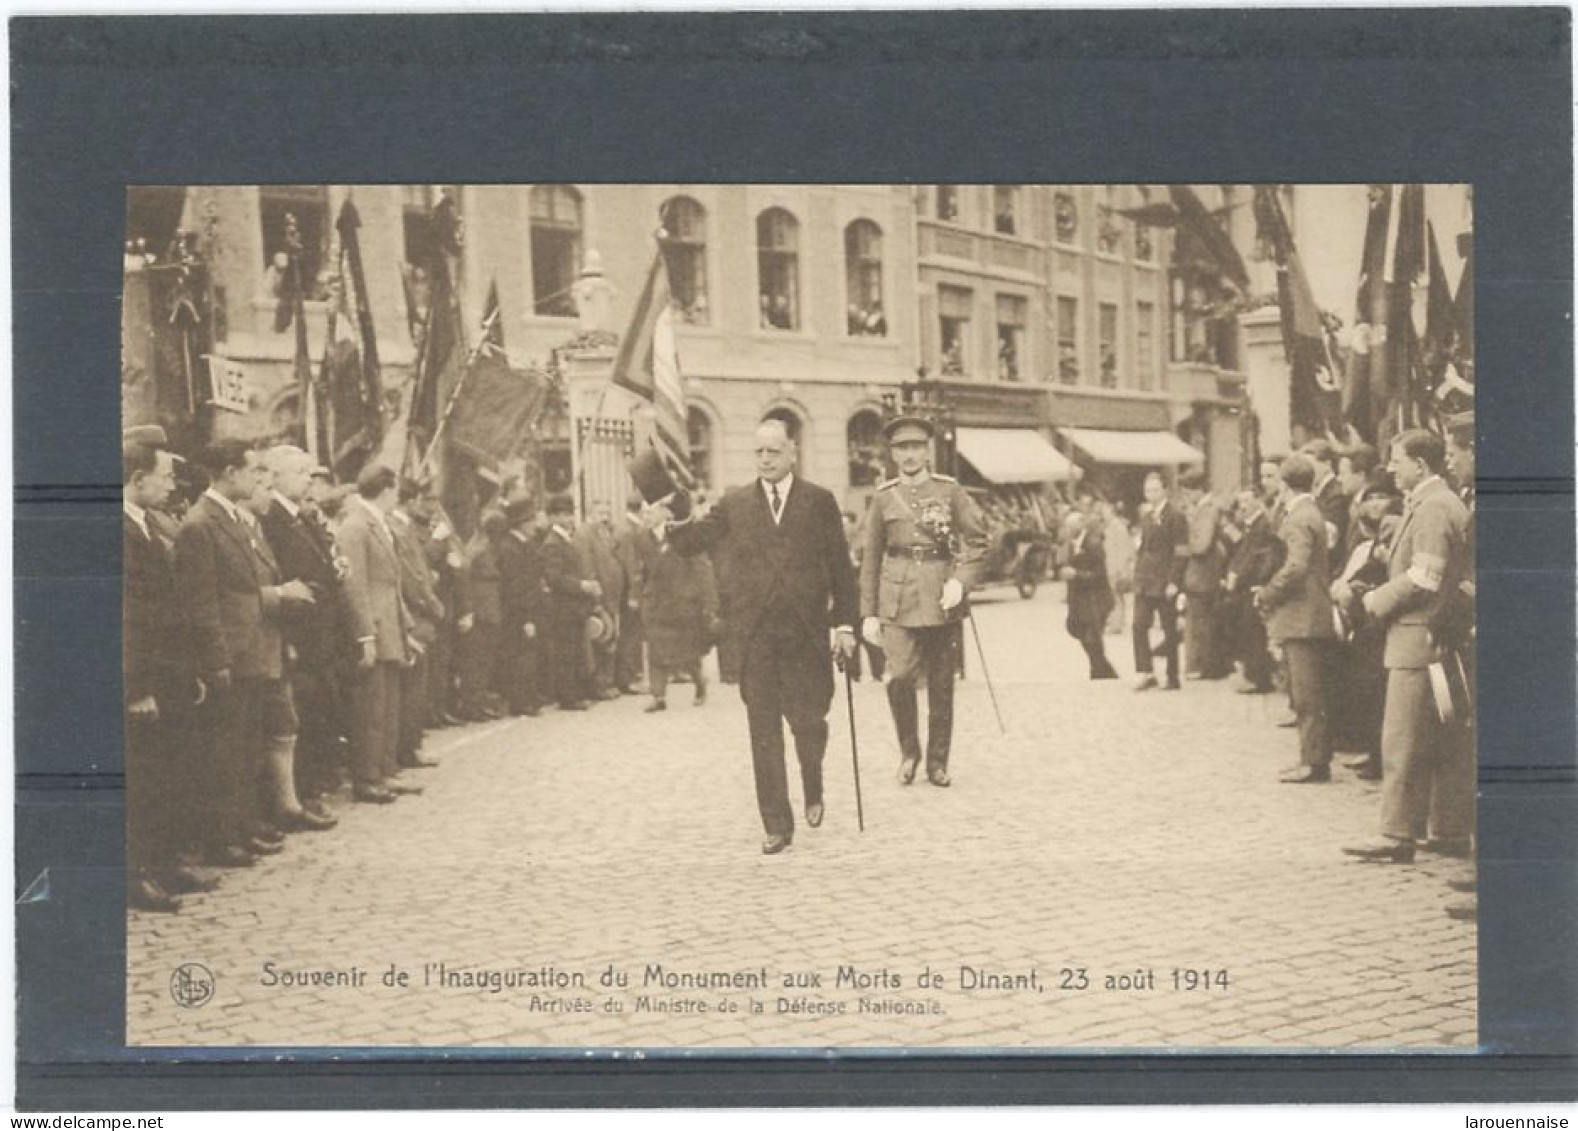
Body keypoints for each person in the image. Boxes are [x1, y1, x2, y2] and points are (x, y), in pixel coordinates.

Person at [665, 418, 859, 854]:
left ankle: (813, 781)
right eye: (759, 452)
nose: (766, 459)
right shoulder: (735, 503)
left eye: (774, 451)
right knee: (764, 731)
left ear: (793, 452)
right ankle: (776, 822)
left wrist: (844, 624)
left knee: (810, 724)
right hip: (757, 640)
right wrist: (674, 515)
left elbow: (842, 571)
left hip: (806, 637)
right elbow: (694, 540)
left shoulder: (818, 502)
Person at [175, 440, 311, 866]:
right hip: (231, 655)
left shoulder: (232, 518)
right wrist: (216, 661)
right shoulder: (200, 523)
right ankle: (222, 839)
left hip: (253, 651)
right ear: (230, 473)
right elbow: (203, 603)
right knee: (225, 752)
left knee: (247, 748)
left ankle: (243, 828)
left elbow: (244, 587)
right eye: (252, 470)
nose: (257, 478)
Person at [1342, 429, 1473, 864]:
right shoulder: (1437, 503)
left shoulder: (1433, 507)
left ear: (1421, 464)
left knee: (1402, 741)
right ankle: (1447, 829)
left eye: (1397, 460)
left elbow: (1425, 577)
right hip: (1428, 638)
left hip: (1417, 639)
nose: (1391, 467)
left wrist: (1374, 600)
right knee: (1442, 740)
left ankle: (1397, 834)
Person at [860, 415, 987, 787]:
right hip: (897, 600)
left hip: (940, 597)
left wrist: (960, 582)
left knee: (942, 683)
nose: (910, 455)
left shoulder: (950, 492)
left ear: (927, 450)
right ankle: (909, 751)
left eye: (916, 447)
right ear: (893, 454)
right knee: (898, 677)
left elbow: (977, 541)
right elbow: (871, 558)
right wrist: (867, 613)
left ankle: (937, 762)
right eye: (902, 448)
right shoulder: (884, 497)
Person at [125, 439, 213, 911]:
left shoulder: (144, 526)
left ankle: (162, 862)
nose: (171, 484)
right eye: (162, 476)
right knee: (141, 777)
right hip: (144, 678)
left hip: (169, 671)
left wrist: (188, 671)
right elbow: (127, 617)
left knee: (167, 773)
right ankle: (136, 874)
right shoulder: (118, 530)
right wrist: (135, 687)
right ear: (137, 479)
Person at [257, 445, 342, 830]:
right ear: (274, 476)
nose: (308, 479)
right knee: (300, 716)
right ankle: (301, 795)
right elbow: (278, 578)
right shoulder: (271, 518)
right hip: (295, 633)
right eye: (299, 472)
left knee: (317, 712)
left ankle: (311, 792)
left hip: (318, 631)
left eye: (309, 472)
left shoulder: (301, 517)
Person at [1255, 454, 1338, 784]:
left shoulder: (1298, 518)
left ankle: (1314, 761)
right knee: (1307, 691)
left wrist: (1268, 592)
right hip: (1310, 612)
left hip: (1302, 615)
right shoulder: (1310, 512)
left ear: (1285, 484)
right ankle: (1312, 757)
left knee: (1306, 694)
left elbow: (1295, 567)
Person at [337, 463, 416, 804]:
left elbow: (392, 585)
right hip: (374, 627)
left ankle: (384, 769)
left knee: (388, 705)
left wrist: (405, 627)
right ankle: (367, 777)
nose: (397, 496)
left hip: (391, 626)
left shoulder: (379, 525)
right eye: (395, 489)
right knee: (371, 707)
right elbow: (355, 586)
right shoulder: (356, 526)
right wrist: (365, 633)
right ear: (385, 490)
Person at [389, 483, 446, 770]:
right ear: (409, 502)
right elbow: (412, 578)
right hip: (415, 617)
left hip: (414, 614)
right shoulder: (400, 531)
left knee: (414, 687)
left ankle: (409, 746)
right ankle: (408, 748)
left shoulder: (401, 529)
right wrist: (432, 604)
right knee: (413, 688)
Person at [642, 508, 719, 712]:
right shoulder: (643, 538)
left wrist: (709, 604)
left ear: (665, 514)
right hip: (657, 604)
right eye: (644, 513)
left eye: (650, 512)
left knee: (688, 653)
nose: (645, 517)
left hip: (684, 605)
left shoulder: (686, 536)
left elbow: (703, 571)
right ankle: (658, 696)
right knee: (656, 651)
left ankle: (700, 683)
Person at [540, 493, 600, 711]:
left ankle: (575, 692)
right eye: (563, 515)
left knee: (574, 650)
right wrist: (581, 585)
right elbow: (554, 578)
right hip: (562, 606)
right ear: (553, 518)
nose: (568, 519)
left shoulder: (567, 539)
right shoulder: (552, 544)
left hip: (574, 606)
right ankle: (568, 696)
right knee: (565, 652)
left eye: (569, 514)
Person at [1131, 471, 1187, 691]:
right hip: (1145, 581)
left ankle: (1172, 676)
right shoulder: (1146, 517)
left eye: (1155, 490)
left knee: (1169, 629)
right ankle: (1145, 671)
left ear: (1164, 490)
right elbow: (1142, 548)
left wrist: (1174, 581)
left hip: (1164, 581)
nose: (1151, 494)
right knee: (1138, 624)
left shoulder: (1175, 517)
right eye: (1147, 490)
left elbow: (1181, 552)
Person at [1222, 488, 1281, 693]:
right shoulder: (1250, 526)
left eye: (1247, 500)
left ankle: (1259, 678)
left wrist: (1239, 576)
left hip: (1253, 584)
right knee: (1247, 628)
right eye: (1241, 502)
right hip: (1245, 584)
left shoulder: (1262, 525)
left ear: (1257, 500)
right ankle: (1252, 673)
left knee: (1253, 630)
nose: (1244, 506)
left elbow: (1258, 557)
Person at [497, 496, 548, 717]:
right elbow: (515, 587)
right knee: (520, 656)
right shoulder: (510, 548)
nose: (534, 526)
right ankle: (520, 701)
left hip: (531, 608)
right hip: (518, 612)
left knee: (529, 654)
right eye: (530, 522)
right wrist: (525, 617)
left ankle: (529, 696)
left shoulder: (524, 545)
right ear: (521, 523)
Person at [457, 508, 507, 720]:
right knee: (475, 661)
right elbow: (464, 581)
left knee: (485, 660)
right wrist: (467, 611)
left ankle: (479, 701)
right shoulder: (477, 550)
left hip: (491, 609)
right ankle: (471, 704)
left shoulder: (487, 548)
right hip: (480, 610)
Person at [575, 498, 626, 701]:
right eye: (599, 514)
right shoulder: (584, 535)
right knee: (600, 638)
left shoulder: (605, 534)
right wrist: (595, 593)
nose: (604, 518)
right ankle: (597, 684)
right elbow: (587, 566)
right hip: (598, 594)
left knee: (611, 638)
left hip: (612, 595)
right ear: (590, 514)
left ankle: (607, 681)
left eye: (607, 513)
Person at [1180, 470, 1229, 680]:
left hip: (1203, 574)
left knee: (1201, 621)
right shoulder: (1205, 509)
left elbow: (1201, 545)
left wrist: (1183, 546)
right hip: (1203, 574)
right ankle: (1203, 665)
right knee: (1201, 620)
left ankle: (1202, 666)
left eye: (1187, 492)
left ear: (1197, 490)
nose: (1185, 498)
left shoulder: (1208, 510)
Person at [1059, 508, 1118, 680]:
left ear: (1081, 524)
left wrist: (1077, 575)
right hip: (1079, 601)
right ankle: (1105, 671)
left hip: (1096, 599)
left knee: (1092, 637)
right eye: (1067, 526)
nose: (1069, 530)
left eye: (1072, 525)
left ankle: (1099, 673)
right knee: (1078, 631)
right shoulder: (1071, 545)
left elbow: (1100, 575)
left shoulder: (1093, 544)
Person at [612, 497, 656, 694]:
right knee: (631, 635)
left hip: (629, 588)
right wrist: (633, 594)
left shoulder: (625, 528)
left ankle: (631, 675)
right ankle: (628, 678)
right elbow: (632, 565)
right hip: (631, 589)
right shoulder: (630, 531)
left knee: (632, 633)